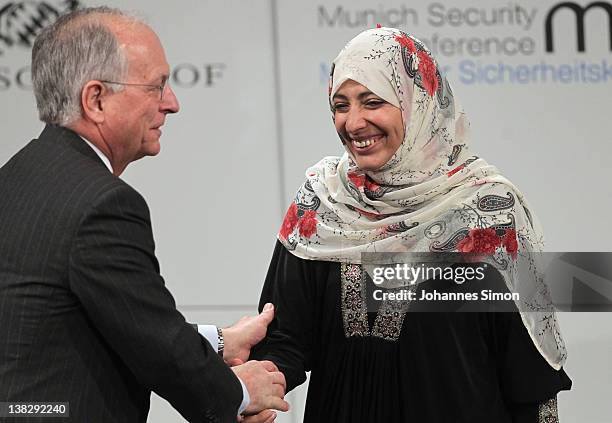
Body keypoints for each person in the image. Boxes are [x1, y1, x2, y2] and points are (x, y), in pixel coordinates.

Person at [251, 27, 571, 422]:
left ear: (417, 102)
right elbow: (285, 337)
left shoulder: (489, 212)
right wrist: (261, 385)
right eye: (341, 105)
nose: (353, 123)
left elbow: (528, 373)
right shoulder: (322, 203)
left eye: (372, 102)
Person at [0, 7, 287, 423]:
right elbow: (160, 348)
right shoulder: (101, 204)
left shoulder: (16, 176)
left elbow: (109, 322)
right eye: (156, 87)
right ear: (96, 99)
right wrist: (240, 393)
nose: (172, 104)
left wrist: (220, 341)